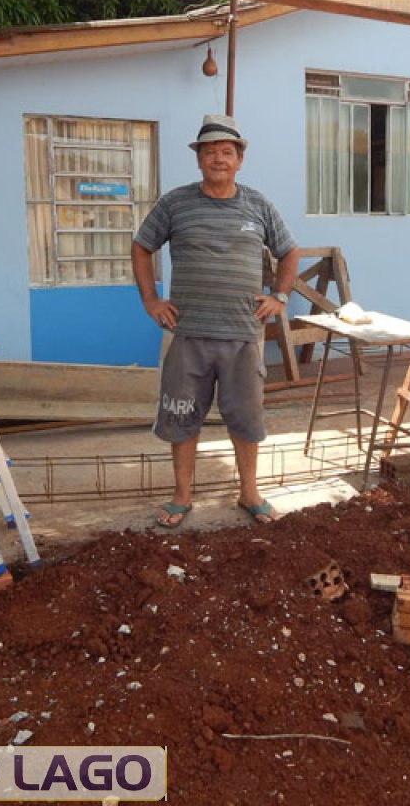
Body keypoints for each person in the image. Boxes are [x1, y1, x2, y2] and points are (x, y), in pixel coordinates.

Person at [132, 113, 299, 528]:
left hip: (243, 334)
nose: (218, 159)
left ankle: (249, 493)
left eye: (227, 152)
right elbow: (141, 247)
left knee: (245, 417)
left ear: (239, 159)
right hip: (187, 334)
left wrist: (279, 296)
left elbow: (289, 251)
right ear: (199, 159)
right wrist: (151, 299)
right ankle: (181, 497)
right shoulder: (175, 203)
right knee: (181, 415)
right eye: (210, 152)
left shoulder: (258, 205)